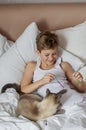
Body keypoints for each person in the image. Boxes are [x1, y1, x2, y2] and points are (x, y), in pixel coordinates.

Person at [20, 31, 85, 98]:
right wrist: (41, 81)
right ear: (38, 53)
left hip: (72, 98)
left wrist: (79, 81)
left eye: (54, 54)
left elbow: (82, 89)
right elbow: (24, 90)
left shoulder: (63, 65)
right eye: (47, 55)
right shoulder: (32, 66)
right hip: (52, 104)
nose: (51, 58)